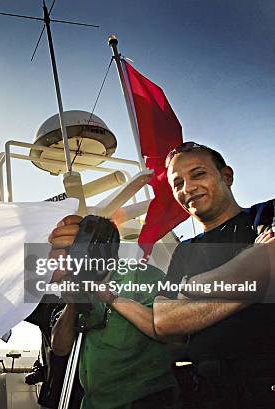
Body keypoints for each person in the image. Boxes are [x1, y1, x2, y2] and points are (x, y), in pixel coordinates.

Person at [49, 142, 275, 408]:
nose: (187, 188)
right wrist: (254, 284)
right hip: (210, 392)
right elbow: (166, 321)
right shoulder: (184, 252)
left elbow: (268, 261)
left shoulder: (266, 213)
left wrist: (190, 289)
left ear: (226, 176)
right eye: (177, 183)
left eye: (198, 174)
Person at [49, 221, 180, 409]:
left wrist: (110, 297)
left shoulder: (143, 277)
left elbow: (172, 333)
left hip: (147, 400)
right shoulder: (78, 290)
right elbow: (60, 348)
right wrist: (72, 306)